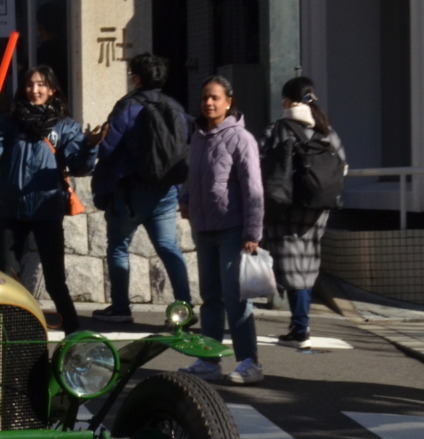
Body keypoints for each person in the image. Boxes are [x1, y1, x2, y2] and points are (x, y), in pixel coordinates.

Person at [0, 65, 105, 335]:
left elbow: (79, 166)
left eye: (41, 85)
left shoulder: (65, 126)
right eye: (30, 85)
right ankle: (8, 332)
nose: (35, 90)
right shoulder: (9, 122)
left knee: (56, 279)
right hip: (12, 208)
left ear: (52, 89)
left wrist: (90, 146)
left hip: (47, 208)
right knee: (7, 275)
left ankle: (74, 332)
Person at [90, 52, 192, 324]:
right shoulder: (176, 108)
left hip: (130, 194)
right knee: (169, 248)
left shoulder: (128, 107)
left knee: (119, 247)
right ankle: (185, 308)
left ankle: (121, 308)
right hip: (166, 192)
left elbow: (108, 148)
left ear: (136, 78)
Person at [179, 74, 265, 385]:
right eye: (205, 97)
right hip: (204, 229)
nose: (209, 103)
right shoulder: (199, 137)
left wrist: (252, 232)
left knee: (235, 297)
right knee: (210, 298)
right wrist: (186, 198)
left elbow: (253, 188)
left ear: (229, 102)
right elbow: (194, 176)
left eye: (215, 97)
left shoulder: (241, 139)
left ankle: (249, 361)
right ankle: (209, 360)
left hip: (232, 229)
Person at [260, 76, 347, 349]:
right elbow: (342, 166)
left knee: (291, 267)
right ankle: (300, 323)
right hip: (319, 206)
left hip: (287, 208)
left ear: (286, 100)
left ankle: (299, 327)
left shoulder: (278, 129)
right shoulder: (326, 131)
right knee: (307, 263)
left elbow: (260, 166)